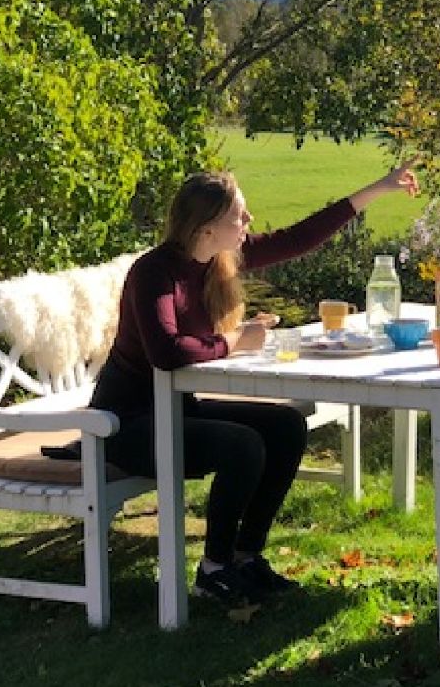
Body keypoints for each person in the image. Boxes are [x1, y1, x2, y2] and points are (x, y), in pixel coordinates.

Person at [89, 162, 420, 610]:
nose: (248, 223)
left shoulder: (217, 259)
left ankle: (245, 558)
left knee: (286, 424)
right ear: (207, 226)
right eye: (239, 216)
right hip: (126, 426)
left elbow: (300, 238)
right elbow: (166, 352)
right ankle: (213, 569)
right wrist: (233, 340)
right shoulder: (155, 272)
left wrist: (378, 188)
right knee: (242, 444)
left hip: (175, 412)